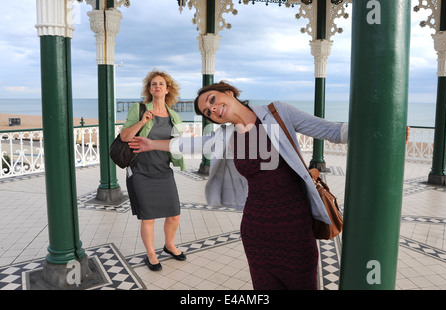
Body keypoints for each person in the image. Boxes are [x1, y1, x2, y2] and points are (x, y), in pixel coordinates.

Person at [128, 81, 348, 288]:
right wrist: (151, 143)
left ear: (229, 93)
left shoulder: (277, 113)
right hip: (256, 230)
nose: (212, 110)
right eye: (207, 112)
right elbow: (191, 144)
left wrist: (374, 122)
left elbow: (332, 131)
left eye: (212, 100)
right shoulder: (227, 136)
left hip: (295, 227)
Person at [120, 70, 186, 271]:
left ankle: (169, 245)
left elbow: (176, 144)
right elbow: (124, 137)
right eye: (153, 84)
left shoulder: (174, 116)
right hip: (141, 171)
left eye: (161, 84)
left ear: (167, 90)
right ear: (149, 89)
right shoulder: (139, 109)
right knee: (148, 217)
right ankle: (151, 254)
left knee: (174, 214)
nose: (157, 86)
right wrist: (143, 121)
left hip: (163, 171)